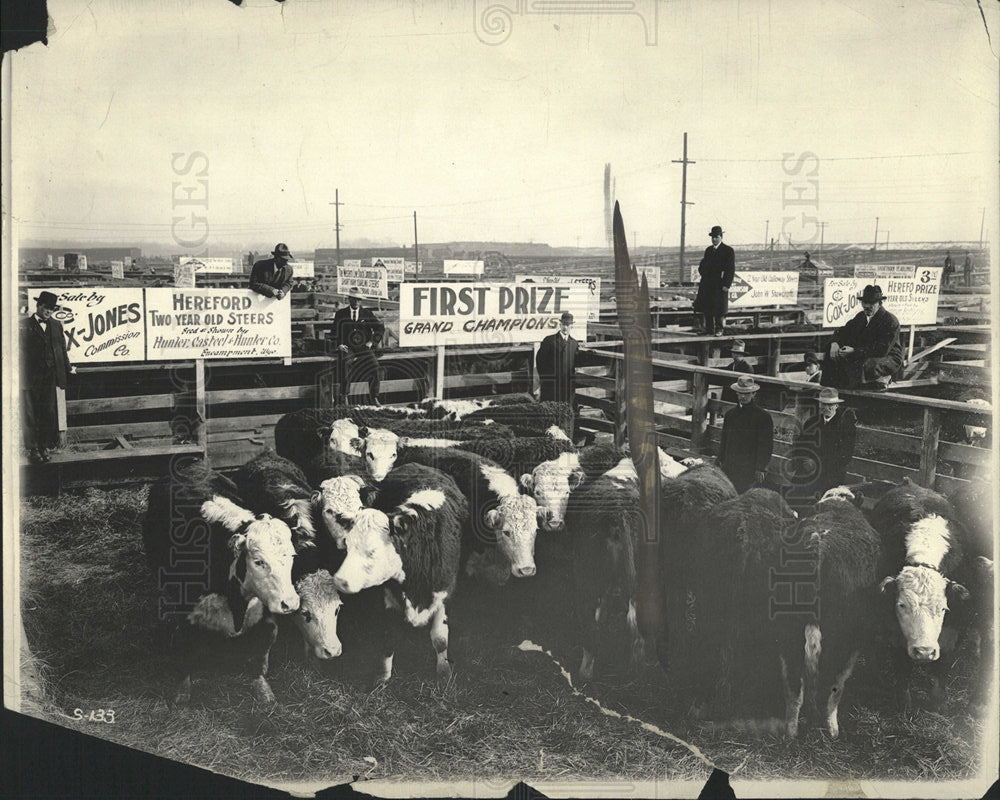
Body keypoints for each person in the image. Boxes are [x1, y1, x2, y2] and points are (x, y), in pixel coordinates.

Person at [20, 291, 75, 463]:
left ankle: (43, 447)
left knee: (47, 413)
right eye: (46, 307)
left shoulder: (56, 325)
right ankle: (33, 450)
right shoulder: (23, 325)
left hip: (49, 378)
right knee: (30, 414)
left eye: (51, 308)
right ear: (38, 306)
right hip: (29, 378)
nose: (48, 311)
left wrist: (67, 369)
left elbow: (62, 350)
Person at [822, 284, 903, 392]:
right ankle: (834, 389)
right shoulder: (861, 317)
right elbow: (843, 331)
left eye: (871, 303)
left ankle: (882, 379)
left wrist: (854, 351)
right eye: (865, 302)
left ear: (879, 303)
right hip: (863, 352)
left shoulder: (890, 321)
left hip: (889, 357)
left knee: (867, 365)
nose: (867, 306)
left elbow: (881, 349)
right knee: (831, 354)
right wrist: (834, 343)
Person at [787, 387, 857, 500]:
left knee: (824, 499)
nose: (826, 408)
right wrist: (804, 460)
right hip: (808, 469)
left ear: (836, 406)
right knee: (793, 494)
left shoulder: (845, 426)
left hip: (830, 472)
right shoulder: (812, 422)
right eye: (823, 404)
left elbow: (845, 455)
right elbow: (800, 445)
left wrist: (817, 464)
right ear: (819, 405)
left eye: (830, 405)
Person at [716, 374, 773, 494]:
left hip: (749, 469)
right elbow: (725, 439)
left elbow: (766, 445)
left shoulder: (762, 417)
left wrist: (761, 468)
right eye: (740, 393)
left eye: (746, 393)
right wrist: (720, 459)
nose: (742, 396)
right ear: (736, 393)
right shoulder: (730, 415)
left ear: (753, 394)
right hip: (730, 466)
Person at [333, 287, 383, 405]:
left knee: (375, 366)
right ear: (349, 299)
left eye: (359, 300)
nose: (356, 302)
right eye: (354, 299)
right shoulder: (341, 314)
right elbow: (333, 332)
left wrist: (372, 342)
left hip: (363, 349)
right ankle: (344, 396)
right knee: (345, 364)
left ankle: (374, 397)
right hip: (347, 348)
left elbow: (380, 328)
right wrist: (339, 344)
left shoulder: (367, 313)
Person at [693, 225, 735, 336]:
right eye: (712, 237)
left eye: (716, 237)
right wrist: (705, 275)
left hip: (720, 284)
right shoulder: (708, 250)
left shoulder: (728, 251)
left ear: (721, 237)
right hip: (708, 284)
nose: (714, 239)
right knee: (708, 307)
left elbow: (730, 269)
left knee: (719, 308)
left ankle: (719, 329)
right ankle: (709, 329)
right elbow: (702, 265)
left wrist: (727, 284)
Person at [536, 311, 579, 404]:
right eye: (563, 324)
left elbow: (576, 363)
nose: (565, 327)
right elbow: (540, 360)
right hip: (551, 384)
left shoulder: (574, 343)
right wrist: (545, 378)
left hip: (566, 386)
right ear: (560, 324)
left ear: (572, 326)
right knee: (549, 408)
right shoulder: (549, 340)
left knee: (565, 409)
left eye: (568, 325)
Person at [719, 339, 753, 404]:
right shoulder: (730, 366)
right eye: (735, 353)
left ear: (743, 355)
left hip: (740, 399)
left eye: (739, 354)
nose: (736, 355)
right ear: (732, 354)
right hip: (729, 398)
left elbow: (747, 388)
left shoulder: (747, 368)